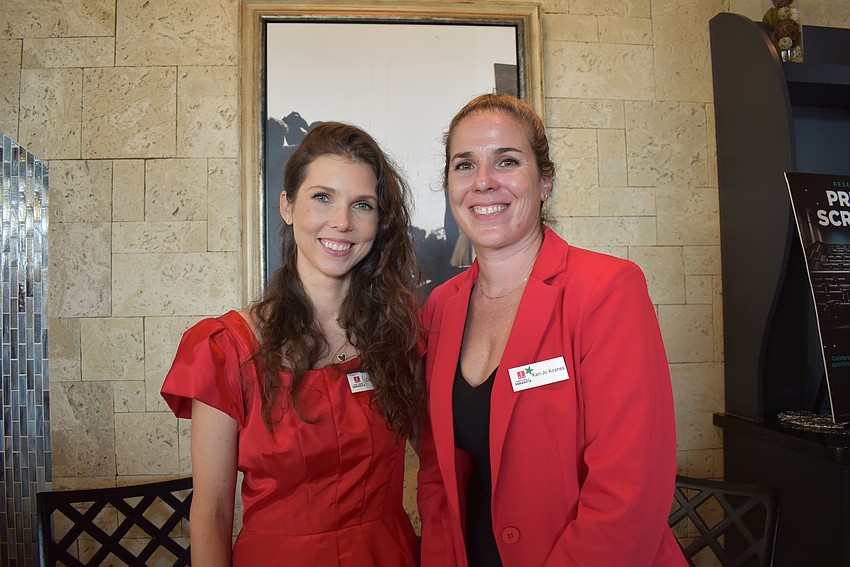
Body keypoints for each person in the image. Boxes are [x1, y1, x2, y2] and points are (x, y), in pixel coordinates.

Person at [416, 94, 686, 566]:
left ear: (545, 181)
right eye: (464, 165)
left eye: (506, 161)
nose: (483, 182)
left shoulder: (606, 290)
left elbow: (629, 492)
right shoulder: (440, 307)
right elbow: (438, 474)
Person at [161, 122, 424, 566]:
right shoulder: (226, 349)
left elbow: (443, 459)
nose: (341, 221)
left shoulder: (399, 336)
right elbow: (211, 513)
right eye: (322, 197)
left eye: (362, 205)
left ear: (378, 224)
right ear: (287, 206)